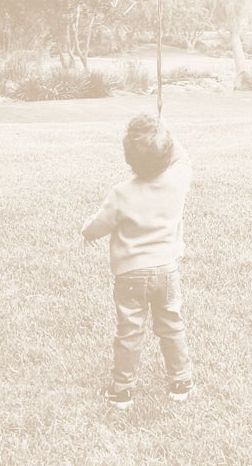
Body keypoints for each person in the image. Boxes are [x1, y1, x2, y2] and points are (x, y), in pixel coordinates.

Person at [81, 113, 194, 409]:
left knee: (130, 330)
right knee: (171, 323)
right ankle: (180, 381)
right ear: (167, 153)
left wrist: (86, 231)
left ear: (129, 161)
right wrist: (165, 131)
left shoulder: (121, 193)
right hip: (167, 270)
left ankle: (122, 390)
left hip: (130, 275)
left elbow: (100, 225)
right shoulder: (177, 181)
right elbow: (182, 157)